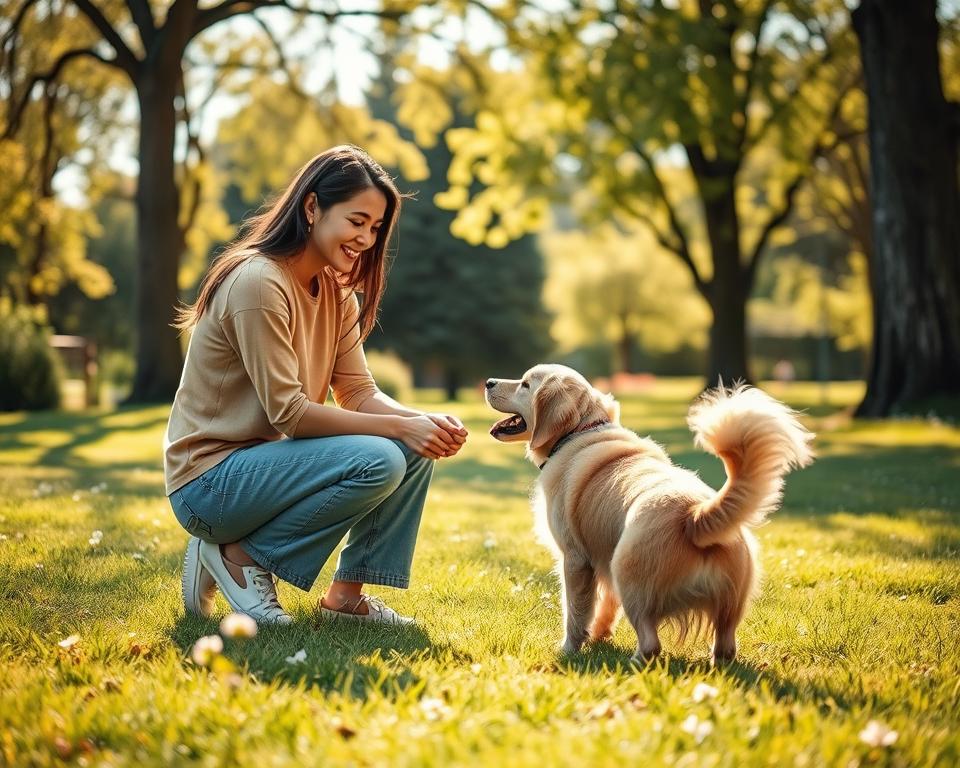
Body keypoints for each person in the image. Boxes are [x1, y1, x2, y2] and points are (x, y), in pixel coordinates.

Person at [164, 145, 467, 626]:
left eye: (375, 228)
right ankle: (237, 558)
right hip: (209, 485)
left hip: (267, 473)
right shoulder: (258, 283)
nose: (366, 238)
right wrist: (398, 429)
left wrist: (419, 423)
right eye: (357, 220)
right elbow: (291, 414)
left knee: (411, 448)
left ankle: (347, 597)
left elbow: (358, 392)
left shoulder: (336, 290)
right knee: (383, 454)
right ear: (312, 208)